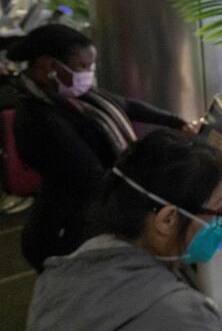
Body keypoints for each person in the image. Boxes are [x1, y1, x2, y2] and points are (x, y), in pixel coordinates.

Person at [8, 24, 200, 271]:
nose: (88, 75)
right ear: (50, 67)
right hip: (65, 235)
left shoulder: (76, 97)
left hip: (86, 219)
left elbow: (126, 106)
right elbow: (94, 177)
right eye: (82, 67)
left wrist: (178, 123)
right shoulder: (39, 118)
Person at [26, 129, 222, 331]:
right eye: (215, 211)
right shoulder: (187, 317)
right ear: (167, 219)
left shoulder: (62, 271)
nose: (216, 222)